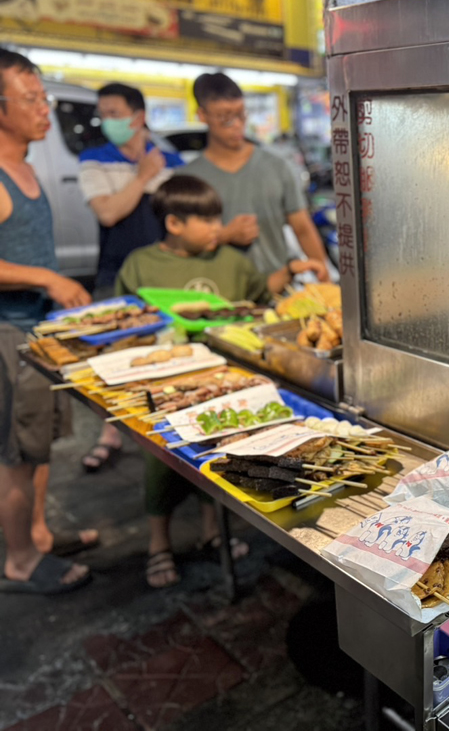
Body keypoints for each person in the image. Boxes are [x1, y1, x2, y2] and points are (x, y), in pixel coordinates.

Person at [115, 174, 324, 587]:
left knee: (217, 455)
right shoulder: (141, 264)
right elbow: (129, 319)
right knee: (161, 461)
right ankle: (159, 543)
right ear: (174, 224)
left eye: (218, 219)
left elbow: (259, 296)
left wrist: (293, 269)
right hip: (169, 383)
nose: (217, 228)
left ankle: (213, 530)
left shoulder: (230, 260)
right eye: (207, 221)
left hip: (228, 379)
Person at [0, 48, 92, 594]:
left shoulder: (27, 167)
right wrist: (48, 279)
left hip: (39, 331)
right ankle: (18, 561)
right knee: (15, 455)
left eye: (44, 97)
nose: (44, 109)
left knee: (39, 447)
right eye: (32, 99)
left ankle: (37, 535)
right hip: (10, 333)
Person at [77, 82, 182, 472]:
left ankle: (158, 427)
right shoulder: (94, 158)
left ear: (138, 117)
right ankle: (109, 433)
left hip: (163, 277)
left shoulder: (171, 161)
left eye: (114, 113)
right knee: (112, 358)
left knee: (159, 354)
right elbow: (107, 212)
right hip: (115, 271)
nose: (107, 121)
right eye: (103, 114)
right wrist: (142, 177)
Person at [177, 72, 329, 280]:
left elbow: (302, 228)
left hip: (277, 290)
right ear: (202, 115)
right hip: (217, 295)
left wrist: (325, 279)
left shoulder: (277, 166)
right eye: (224, 117)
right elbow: (179, 246)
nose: (236, 124)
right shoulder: (188, 178)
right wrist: (223, 236)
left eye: (240, 114)